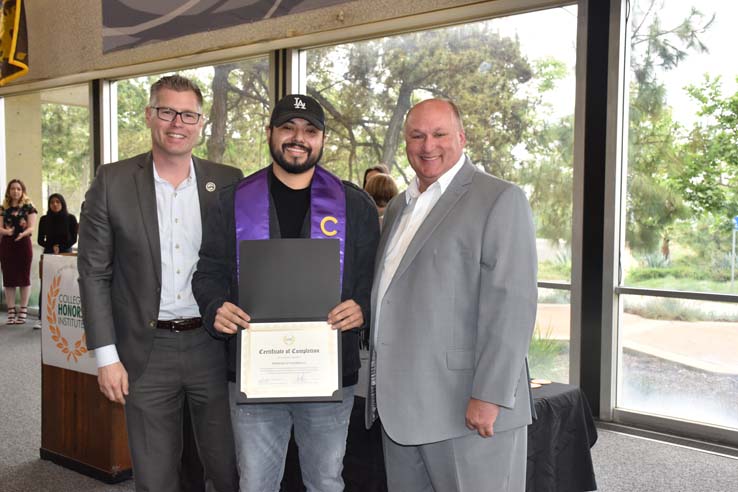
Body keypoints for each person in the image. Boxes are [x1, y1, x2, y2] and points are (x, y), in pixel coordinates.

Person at [193, 94, 379, 492]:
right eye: (288, 128)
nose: (299, 138)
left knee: (326, 482)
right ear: (270, 134)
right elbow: (207, 272)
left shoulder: (355, 205)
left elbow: (372, 280)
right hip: (255, 373)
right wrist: (214, 308)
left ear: (323, 139)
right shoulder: (232, 201)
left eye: (310, 130)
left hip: (328, 375)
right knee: (256, 483)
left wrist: (362, 307)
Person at [77, 75, 241, 492]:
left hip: (213, 345)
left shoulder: (228, 181)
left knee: (229, 469)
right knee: (154, 477)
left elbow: (244, 264)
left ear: (200, 123)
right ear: (150, 115)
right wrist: (106, 357)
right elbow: (94, 271)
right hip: (145, 353)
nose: (176, 123)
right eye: (166, 111)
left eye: (188, 114)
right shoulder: (112, 182)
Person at [365, 99, 537, 492]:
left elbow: (512, 305)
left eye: (440, 134)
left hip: (466, 409)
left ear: (461, 137)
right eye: (417, 135)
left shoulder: (500, 199)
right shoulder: (397, 208)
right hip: (401, 410)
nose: (428, 145)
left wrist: (490, 395)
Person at [0, 179, 38, 325]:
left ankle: (23, 311)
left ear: (23, 191)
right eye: (13, 189)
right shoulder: (3, 207)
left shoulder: (29, 207)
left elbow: (31, 227)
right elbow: (0, 227)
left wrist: (23, 234)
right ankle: (11, 311)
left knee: (23, 278)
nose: (15, 191)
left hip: (23, 244)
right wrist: (7, 232)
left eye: (18, 189)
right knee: (8, 279)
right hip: (7, 245)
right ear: (9, 191)